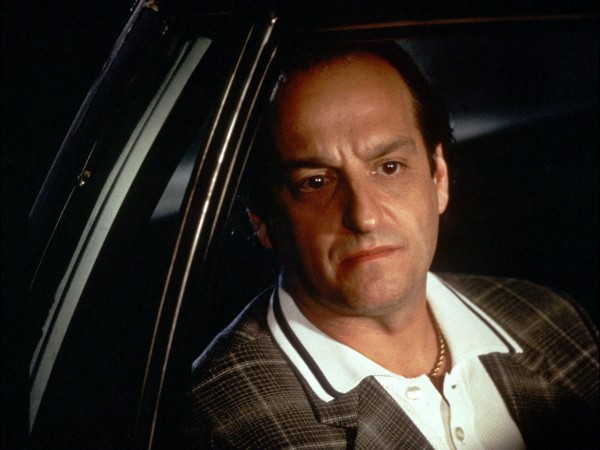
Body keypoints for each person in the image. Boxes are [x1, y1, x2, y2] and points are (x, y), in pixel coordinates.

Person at [183, 41, 599, 449]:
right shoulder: (226, 426)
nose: (364, 216)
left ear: (438, 178)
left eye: (389, 167)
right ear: (262, 219)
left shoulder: (551, 318)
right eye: (316, 182)